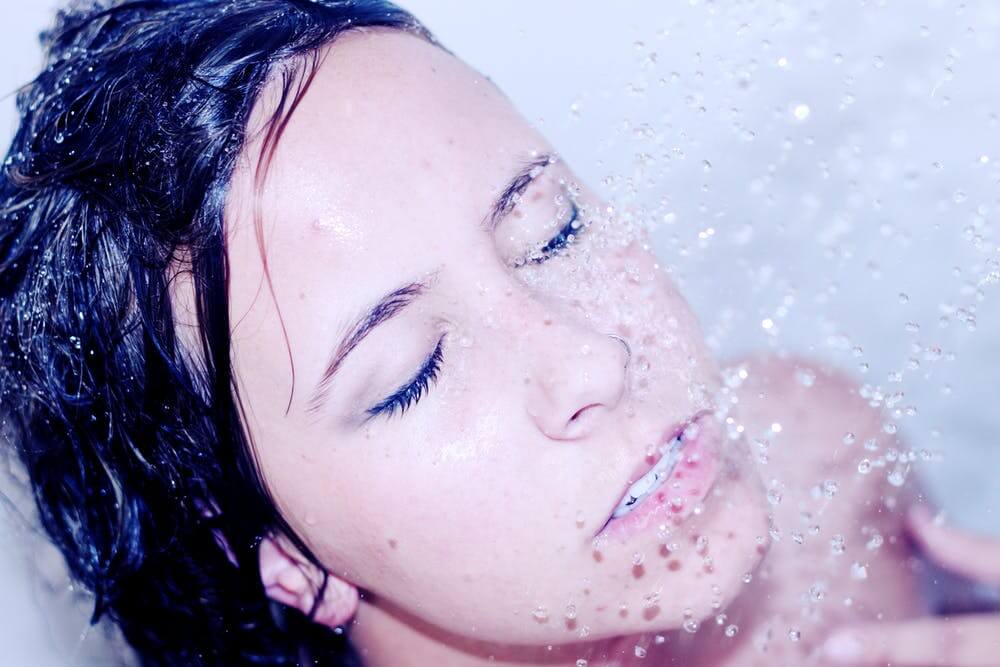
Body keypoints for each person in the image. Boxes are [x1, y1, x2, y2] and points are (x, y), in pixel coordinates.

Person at [0, 1, 996, 665]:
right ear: (288, 563)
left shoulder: (814, 466)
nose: (594, 357)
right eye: (412, 373)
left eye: (547, 227)